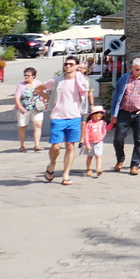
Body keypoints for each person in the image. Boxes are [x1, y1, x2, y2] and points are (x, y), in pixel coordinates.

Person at [35, 57, 93, 185]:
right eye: (66, 64)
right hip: (58, 116)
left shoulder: (82, 81)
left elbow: (87, 94)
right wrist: (49, 100)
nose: (67, 66)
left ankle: (65, 175)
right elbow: (38, 89)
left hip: (74, 116)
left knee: (69, 146)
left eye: (71, 64)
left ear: (76, 66)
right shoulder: (56, 81)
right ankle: (52, 164)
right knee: (56, 146)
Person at [110, 57, 140, 175]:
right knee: (118, 139)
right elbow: (116, 96)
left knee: (139, 140)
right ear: (132, 68)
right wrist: (113, 114)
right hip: (124, 112)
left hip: (138, 113)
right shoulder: (124, 79)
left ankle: (134, 165)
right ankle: (120, 160)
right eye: (137, 69)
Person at [13, 67, 45, 152]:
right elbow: (16, 97)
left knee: (37, 125)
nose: (26, 77)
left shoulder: (38, 83)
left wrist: (45, 101)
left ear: (34, 76)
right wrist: (20, 107)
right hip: (24, 109)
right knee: (23, 126)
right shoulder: (21, 85)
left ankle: (37, 145)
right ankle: (22, 145)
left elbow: (43, 94)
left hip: (37, 108)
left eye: (28, 75)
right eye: (25, 75)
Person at [81, 106, 114, 177]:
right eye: (96, 117)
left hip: (99, 142)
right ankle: (88, 169)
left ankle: (98, 169)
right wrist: (87, 144)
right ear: (92, 115)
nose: (98, 118)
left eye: (100, 117)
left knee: (98, 156)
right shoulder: (89, 124)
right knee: (90, 156)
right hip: (90, 142)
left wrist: (112, 123)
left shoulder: (103, 123)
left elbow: (107, 129)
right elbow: (86, 134)